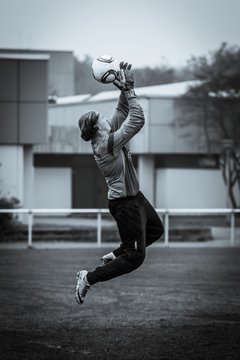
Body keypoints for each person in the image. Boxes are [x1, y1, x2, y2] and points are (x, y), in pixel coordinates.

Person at [75, 61, 164, 304]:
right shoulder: (107, 144)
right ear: (98, 128)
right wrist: (131, 93)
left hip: (133, 198)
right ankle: (89, 278)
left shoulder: (105, 135)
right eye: (102, 117)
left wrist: (125, 86)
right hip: (125, 205)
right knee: (135, 257)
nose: (106, 118)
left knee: (156, 230)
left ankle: (117, 252)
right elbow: (136, 120)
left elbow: (123, 110)